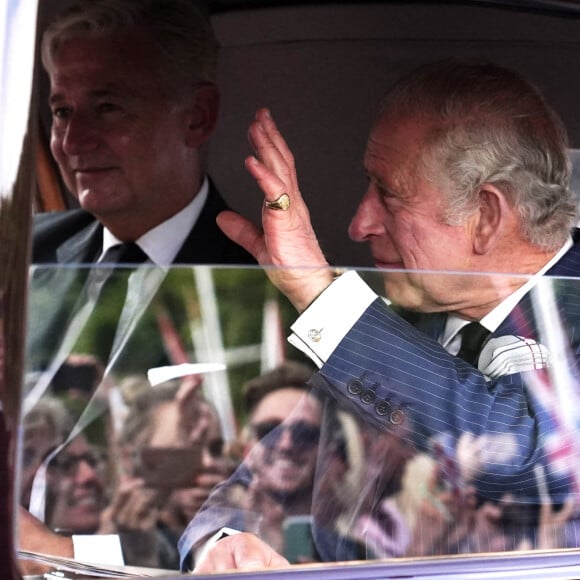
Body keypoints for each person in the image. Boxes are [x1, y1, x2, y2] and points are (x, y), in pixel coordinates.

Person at [183, 59, 580, 572]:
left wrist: (317, 291)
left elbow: (534, 459)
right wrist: (224, 542)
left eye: (389, 195)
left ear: (486, 215)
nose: (359, 224)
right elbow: (259, 480)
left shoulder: (367, 334)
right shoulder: (402, 327)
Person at [32, 0, 254, 267]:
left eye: (107, 107)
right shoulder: (21, 254)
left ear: (197, 116)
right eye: (62, 113)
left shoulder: (278, 283)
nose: (73, 142)